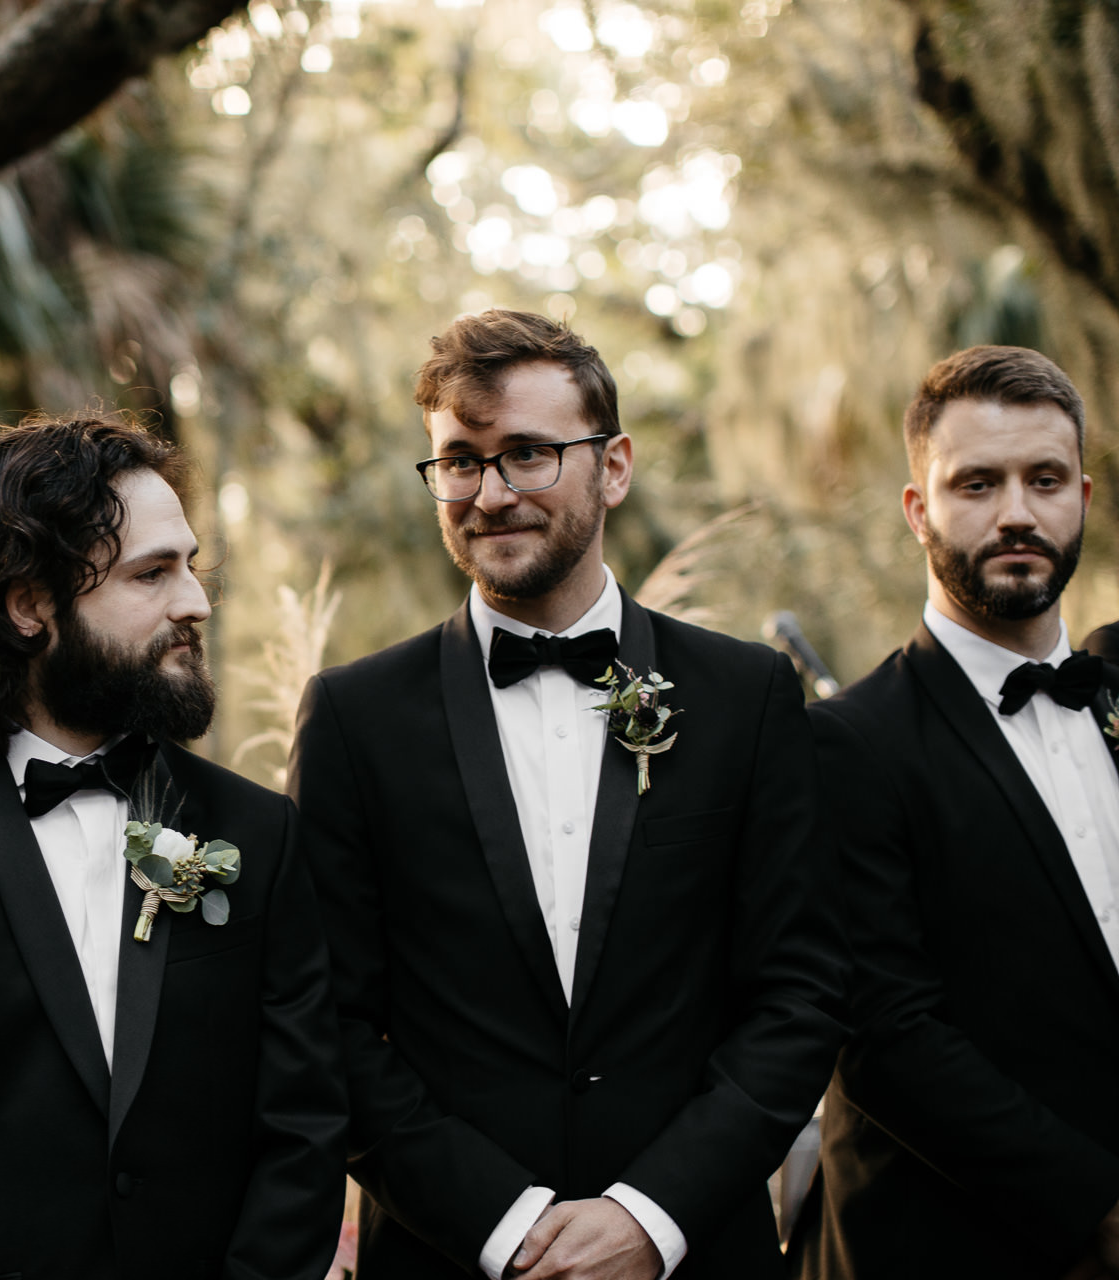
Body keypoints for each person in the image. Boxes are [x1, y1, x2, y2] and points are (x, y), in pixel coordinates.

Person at [289, 310, 846, 1280]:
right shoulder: (352, 716)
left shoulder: (745, 696)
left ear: (615, 465)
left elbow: (800, 994)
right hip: (449, 1255)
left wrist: (651, 1214)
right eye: (460, 460)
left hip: (696, 1249)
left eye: (530, 454)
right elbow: (323, 1020)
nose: (491, 492)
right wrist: (504, 1227)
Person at [0, 416, 347, 1279]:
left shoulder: (258, 833)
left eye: (191, 566)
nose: (194, 601)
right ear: (28, 605)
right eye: (151, 574)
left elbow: (303, 1128)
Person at [793, 346, 1119, 1280]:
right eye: (977, 482)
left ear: (1083, 499)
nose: (1017, 511)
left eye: (1044, 479)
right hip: (941, 1243)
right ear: (918, 509)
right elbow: (885, 1036)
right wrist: (1096, 1207)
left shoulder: (1113, 692)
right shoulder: (844, 744)